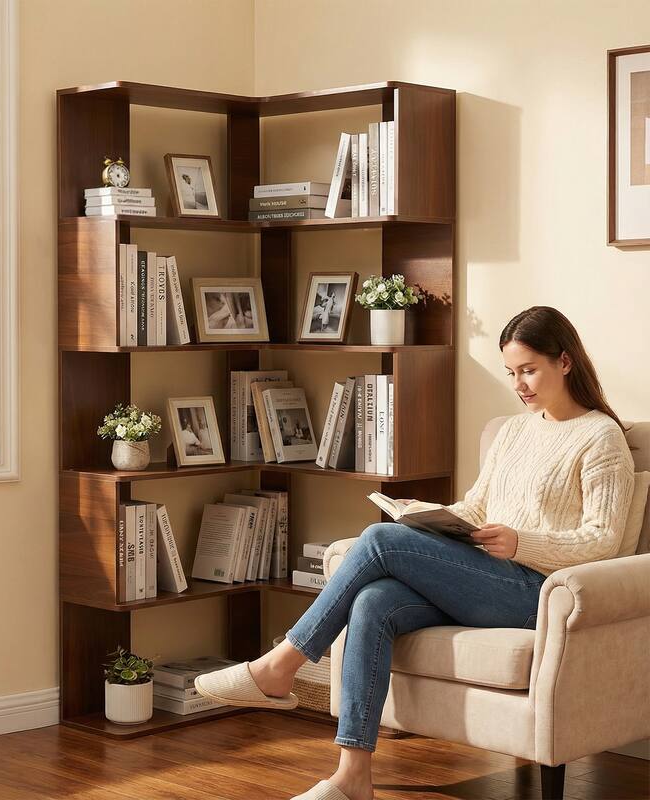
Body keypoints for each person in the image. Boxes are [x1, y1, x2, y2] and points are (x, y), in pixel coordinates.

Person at [194, 306, 634, 800]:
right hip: (484, 576)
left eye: (529, 370)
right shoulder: (513, 431)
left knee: (379, 541)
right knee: (374, 601)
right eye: (512, 373)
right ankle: (352, 775)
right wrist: (431, 512)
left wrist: (522, 542)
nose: (520, 386)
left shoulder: (601, 437)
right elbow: (477, 507)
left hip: (537, 593)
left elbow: (602, 540)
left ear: (565, 362)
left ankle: (278, 667)